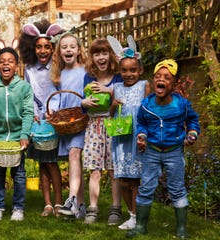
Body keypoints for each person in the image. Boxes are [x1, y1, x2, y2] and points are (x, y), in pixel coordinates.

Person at [127, 59, 200, 239]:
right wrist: (142, 136)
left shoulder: (181, 104)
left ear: (174, 83)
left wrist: (192, 133)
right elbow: (142, 123)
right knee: (146, 188)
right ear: (153, 81)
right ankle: (141, 227)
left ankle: (181, 229)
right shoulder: (146, 105)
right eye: (158, 76)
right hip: (151, 151)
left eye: (167, 77)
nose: (161, 79)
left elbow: (193, 120)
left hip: (174, 151)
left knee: (177, 189)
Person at [0, 46, 34, 221]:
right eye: (2, 61)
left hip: (18, 138)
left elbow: (28, 113)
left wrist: (24, 135)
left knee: (18, 174)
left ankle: (18, 208)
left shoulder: (24, 87)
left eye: (10, 61)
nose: (6, 64)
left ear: (16, 65)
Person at [19, 19, 63, 217]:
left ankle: (59, 202)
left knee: (52, 161)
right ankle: (47, 203)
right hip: (38, 122)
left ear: (53, 48)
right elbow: (29, 94)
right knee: (42, 162)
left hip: (53, 119)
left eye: (47, 47)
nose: (43, 51)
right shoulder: (29, 70)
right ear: (32, 48)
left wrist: (53, 111)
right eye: (39, 47)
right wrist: (33, 115)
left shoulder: (57, 67)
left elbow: (60, 92)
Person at [107, 35, 151, 230]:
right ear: (119, 71)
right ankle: (131, 215)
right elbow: (110, 115)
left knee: (136, 180)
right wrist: (113, 105)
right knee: (123, 179)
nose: (129, 74)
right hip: (121, 139)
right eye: (124, 70)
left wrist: (147, 135)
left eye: (133, 70)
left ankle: (138, 216)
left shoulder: (144, 86)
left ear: (140, 70)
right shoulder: (115, 88)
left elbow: (150, 111)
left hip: (138, 138)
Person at [81, 38, 123, 224]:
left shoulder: (118, 77)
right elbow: (84, 102)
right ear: (92, 57)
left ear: (110, 55)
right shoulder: (88, 77)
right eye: (97, 54)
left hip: (113, 125)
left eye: (104, 53)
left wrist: (108, 90)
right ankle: (93, 208)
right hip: (94, 126)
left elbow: (124, 97)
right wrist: (83, 103)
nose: (101, 57)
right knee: (95, 170)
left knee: (114, 170)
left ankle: (116, 209)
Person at [47, 30, 87, 219]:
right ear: (59, 52)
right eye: (64, 47)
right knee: (75, 161)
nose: (68, 50)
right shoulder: (59, 74)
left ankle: (71, 200)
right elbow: (56, 98)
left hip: (83, 119)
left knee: (74, 155)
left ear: (79, 50)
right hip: (67, 122)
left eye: (72, 46)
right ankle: (80, 206)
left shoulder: (86, 70)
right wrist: (51, 111)